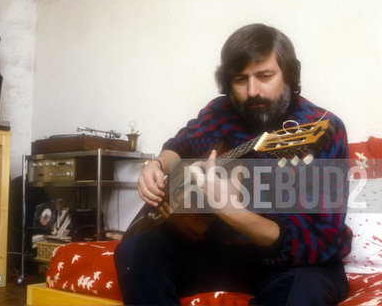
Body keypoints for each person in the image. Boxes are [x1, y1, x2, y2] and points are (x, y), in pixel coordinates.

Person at [114, 24, 352, 305]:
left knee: (300, 293)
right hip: (222, 256)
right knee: (136, 249)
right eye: (240, 79)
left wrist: (230, 211)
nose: (253, 91)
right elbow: (180, 145)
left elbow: (320, 239)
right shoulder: (219, 111)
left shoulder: (323, 129)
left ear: (288, 74)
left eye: (265, 76)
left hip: (297, 264)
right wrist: (157, 165)